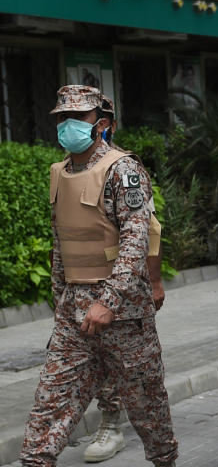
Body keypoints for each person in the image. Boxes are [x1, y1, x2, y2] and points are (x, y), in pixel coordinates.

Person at [21, 85, 178, 467]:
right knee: (51, 403)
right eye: (61, 118)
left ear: (102, 124)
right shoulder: (59, 172)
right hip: (74, 313)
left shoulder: (123, 170)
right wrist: (61, 300)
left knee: (147, 407)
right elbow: (62, 245)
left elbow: (136, 241)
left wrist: (107, 302)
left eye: (77, 118)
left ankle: (165, 460)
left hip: (124, 314)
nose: (67, 124)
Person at [81, 96, 167, 463]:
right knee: (97, 360)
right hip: (84, 284)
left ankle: (121, 427)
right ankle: (111, 421)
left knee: (133, 367)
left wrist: (156, 280)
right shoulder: (72, 168)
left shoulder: (124, 168)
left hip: (124, 288)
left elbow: (150, 231)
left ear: (107, 125)